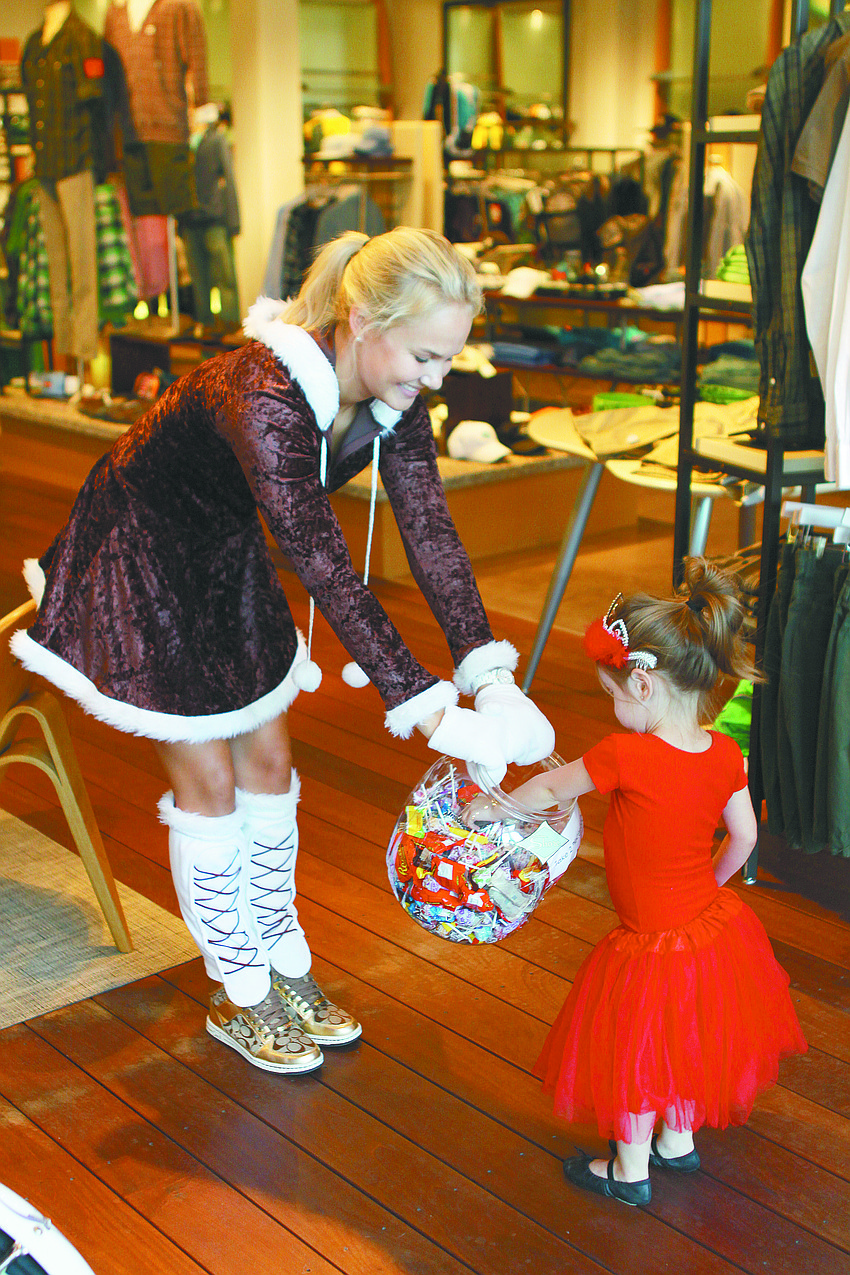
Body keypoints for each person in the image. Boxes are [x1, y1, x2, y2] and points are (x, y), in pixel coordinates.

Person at [11, 226, 555, 1076]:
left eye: (448, 359)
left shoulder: (395, 399)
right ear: (363, 319)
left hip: (222, 547)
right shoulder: (262, 394)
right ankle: (238, 988)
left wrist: (486, 671)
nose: (436, 380)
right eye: (424, 355)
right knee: (212, 782)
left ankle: (285, 962)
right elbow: (325, 564)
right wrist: (428, 705)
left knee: (268, 758)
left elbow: (431, 533)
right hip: (140, 552)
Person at [496, 558, 807, 1206]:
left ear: (642, 684)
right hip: (710, 930)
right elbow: (745, 838)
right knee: (692, 1035)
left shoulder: (624, 754)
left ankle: (630, 1169)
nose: (612, 705)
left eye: (611, 692)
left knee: (637, 1050)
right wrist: (710, 891)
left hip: (647, 940)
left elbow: (553, 785)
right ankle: (678, 1139)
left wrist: (496, 805)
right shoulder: (725, 753)